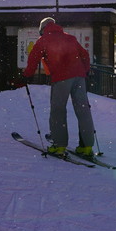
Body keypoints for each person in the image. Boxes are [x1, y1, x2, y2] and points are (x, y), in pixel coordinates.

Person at [22, 17, 96, 157]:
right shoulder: (70, 38)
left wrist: (27, 75)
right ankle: (86, 147)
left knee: (58, 110)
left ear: (42, 29)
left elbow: (33, 58)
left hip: (61, 78)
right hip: (79, 77)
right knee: (83, 110)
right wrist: (85, 70)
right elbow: (84, 54)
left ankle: (59, 145)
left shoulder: (43, 40)